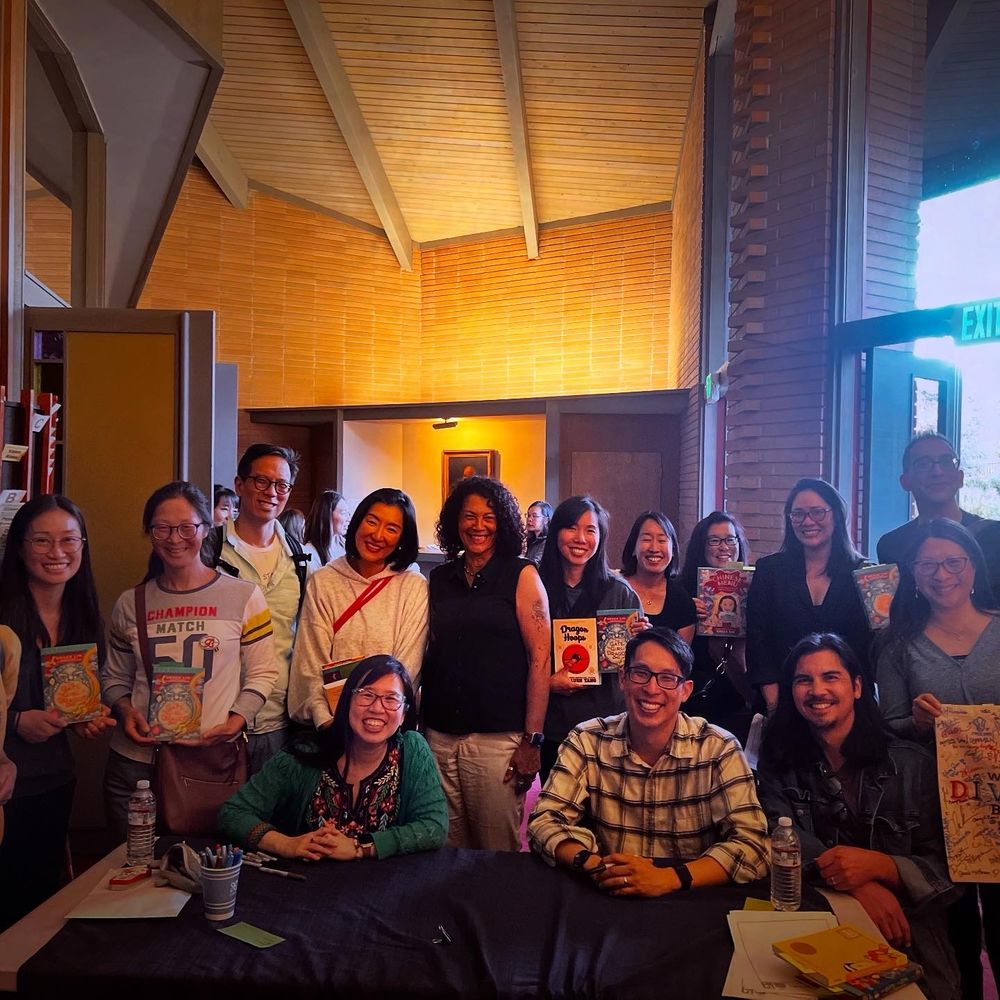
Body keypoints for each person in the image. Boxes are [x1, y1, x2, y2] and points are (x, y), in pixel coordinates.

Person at [758, 633, 960, 1000]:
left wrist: (883, 866)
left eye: (830, 677)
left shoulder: (913, 764)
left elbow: (952, 871)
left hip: (905, 927)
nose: (817, 690)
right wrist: (856, 882)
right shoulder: (779, 761)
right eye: (804, 680)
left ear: (856, 687)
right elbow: (775, 834)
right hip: (814, 918)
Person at [528, 627, 768, 895]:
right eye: (640, 673)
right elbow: (544, 821)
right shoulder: (587, 740)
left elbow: (753, 845)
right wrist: (596, 865)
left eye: (667, 678)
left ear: (685, 690)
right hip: (610, 891)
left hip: (689, 897)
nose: (651, 689)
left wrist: (668, 879)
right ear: (623, 679)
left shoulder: (718, 748)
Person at [101, 482, 278, 840]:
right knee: (130, 874)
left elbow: (263, 671)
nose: (174, 538)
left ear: (206, 528)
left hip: (209, 763)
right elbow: (113, 678)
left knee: (206, 876)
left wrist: (237, 719)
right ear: (149, 532)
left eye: (187, 527)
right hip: (137, 764)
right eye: (161, 528)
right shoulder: (130, 603)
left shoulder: (243, 596)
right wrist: (124, 710)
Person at [876, 518, 999, 1000]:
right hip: (937, 806)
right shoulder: (899, 643)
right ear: (913, 573)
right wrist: (918, 722)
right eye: (928, 564)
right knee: (954, 929)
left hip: (996, 800)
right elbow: (889, 724)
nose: (941, 574)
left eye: (953, 562)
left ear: (973, 567)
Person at [0, 496, 115, 929]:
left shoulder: (83, 614)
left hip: (54, 778)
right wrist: (15, 721)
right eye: (43, 541)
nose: (57, 552)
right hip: (5, 783)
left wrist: (85, 716)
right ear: (20, 546)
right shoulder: (2, 614)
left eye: (69, 540)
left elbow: (70, 697)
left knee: (41, 901)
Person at [421, 476, 550, 851]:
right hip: (440, 736)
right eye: (469, 516)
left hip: (498, 741)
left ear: (504, 523)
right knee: (445, 850)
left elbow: (540, 660)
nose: (478, 526)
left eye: (489, 517)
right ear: (454, 521)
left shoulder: (521, 574)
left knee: (496, 853)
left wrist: (532, 741)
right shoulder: (440, 577)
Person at [218, 654, 446, 861]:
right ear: (346, 702)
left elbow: (434, 827)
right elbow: (232, 814)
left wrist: (359, 847)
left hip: (384, 889)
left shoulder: (412, 750)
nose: (377, 708)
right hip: (306, 886)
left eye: (391, 699)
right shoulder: (305, 753)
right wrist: (287, 844)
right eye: (366, 695)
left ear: (404, 712)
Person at [288, 489, 428, 729]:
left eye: (392, 529)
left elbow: (407, 668)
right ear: (357, 521)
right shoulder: (324, 582)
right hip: (329, 727)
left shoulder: (412, 586)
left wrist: (376, 721)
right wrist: (326, 721)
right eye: (372, 521)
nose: (378, 535)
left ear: (403, 538)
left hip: (385, 726)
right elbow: (309, 663)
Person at [215, 444, 311, 773]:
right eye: (261, 481)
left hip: (280, 721)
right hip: (216, 718)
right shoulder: (209, 551)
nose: (272, 492)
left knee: (272, 823)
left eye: (281, 485)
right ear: (240, 484)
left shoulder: (301, 560)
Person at [746, 478, 871, 713]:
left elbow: (869, 648)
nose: (808, 521)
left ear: (837, 516)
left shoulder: (863, 575)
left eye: (817, 512)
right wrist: (775, 704)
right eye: (798, 514)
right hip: (781, 702)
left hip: (848, 706)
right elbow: (758, 641)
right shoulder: (770, 571)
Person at [538, 496, 641, 781]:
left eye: (591, 530)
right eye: (571, 528)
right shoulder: (533, 585)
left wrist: (640, 641)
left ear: (601, 537)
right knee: (556, 812)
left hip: (606, 726)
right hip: (552, 725)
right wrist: (546, 683)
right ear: (556, 531)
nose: (581, 538)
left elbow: (637, 665)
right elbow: (515, 654)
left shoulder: (619, 591)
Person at [877, 432, 1000, 599]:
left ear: (960, 477)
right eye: (923, 464)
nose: (937, 471)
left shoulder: (993, 535)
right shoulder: (891, 545)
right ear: (905, 481)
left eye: (946, 462)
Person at [677, 511, 753, 745]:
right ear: (702, 545)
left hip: (738, 698)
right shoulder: (681, 591)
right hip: (696, 701)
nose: (724, 547)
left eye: (731, 539)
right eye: (715, 540)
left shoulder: (755, 587)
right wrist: (688, 615)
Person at [620, 510, 696, 642]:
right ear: (633, 547)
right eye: (646, 539)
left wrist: (648, 640)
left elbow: (681, 659)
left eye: (662, 540)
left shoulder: (682, 601)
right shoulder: (614, 589)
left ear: (673, 551)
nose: (654, 548)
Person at [304, 489, 349, 568]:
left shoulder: (346, 546)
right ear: (327, 515)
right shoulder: (310, 552)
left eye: (348, 513)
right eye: (343, 513)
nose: (348, 518)